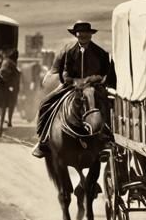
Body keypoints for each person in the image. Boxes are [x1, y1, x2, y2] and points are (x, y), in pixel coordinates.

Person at [31, 21, 115, 158]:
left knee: (109, 105)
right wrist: (73, 81)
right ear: (76, 35)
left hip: (94, 87)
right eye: (80, 34)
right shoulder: (70, 52)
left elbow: (107, 73)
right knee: (45, 104)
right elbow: (65, 73)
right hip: (72, 87)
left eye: (85, 34)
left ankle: (107, 138)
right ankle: (44, 140)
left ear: (90, 35)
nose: (83, 36)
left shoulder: (101, 53)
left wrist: (94, 79)